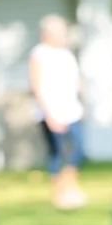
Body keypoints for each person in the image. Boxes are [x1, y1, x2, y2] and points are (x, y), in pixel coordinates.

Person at [28, 15, 86, 210]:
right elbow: (36, 85)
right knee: (57, 152)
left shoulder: (66, 54)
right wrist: (49, 114)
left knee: (76, 150)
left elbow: (76, 80)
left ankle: (71, 186)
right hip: (51, 111)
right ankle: (59, 192)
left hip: (72, 110)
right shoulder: (39, 54)